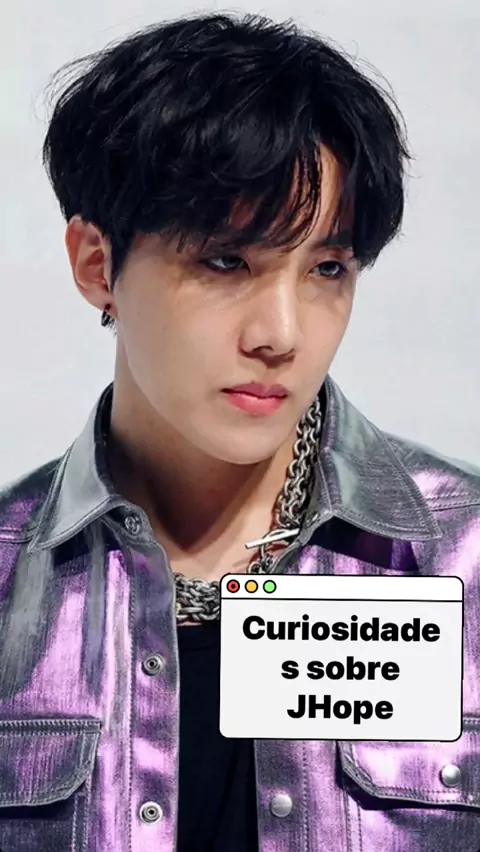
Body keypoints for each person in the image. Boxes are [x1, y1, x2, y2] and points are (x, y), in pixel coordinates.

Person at [1, 10, 479, 852]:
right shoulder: (12, 579)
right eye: (227, 261)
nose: (282, 334)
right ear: (96, 265)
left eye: (327, 268)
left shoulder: (464, 556)